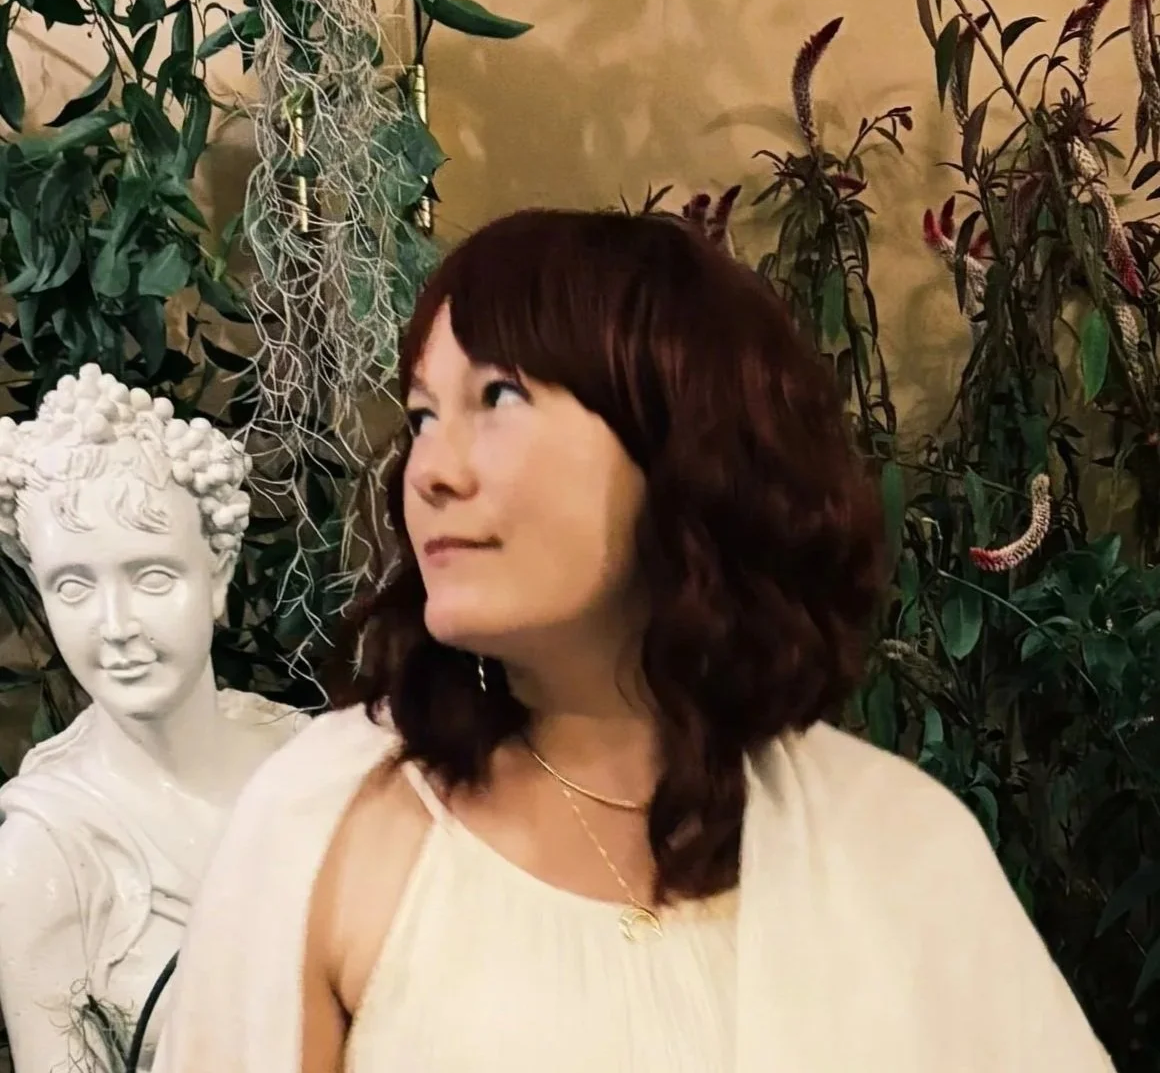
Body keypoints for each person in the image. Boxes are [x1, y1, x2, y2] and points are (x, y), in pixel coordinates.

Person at [155, 209, 1113, 1073]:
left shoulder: (895, 840)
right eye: (422, 416)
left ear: (685, 441)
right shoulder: (329, 818)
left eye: (498, 398)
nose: (431, 471)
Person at [0, 365, 307, 1073]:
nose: (115, 626)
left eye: (153, 577)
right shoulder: (48, 855)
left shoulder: (308, 759)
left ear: (219, 574)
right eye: (72, 585)